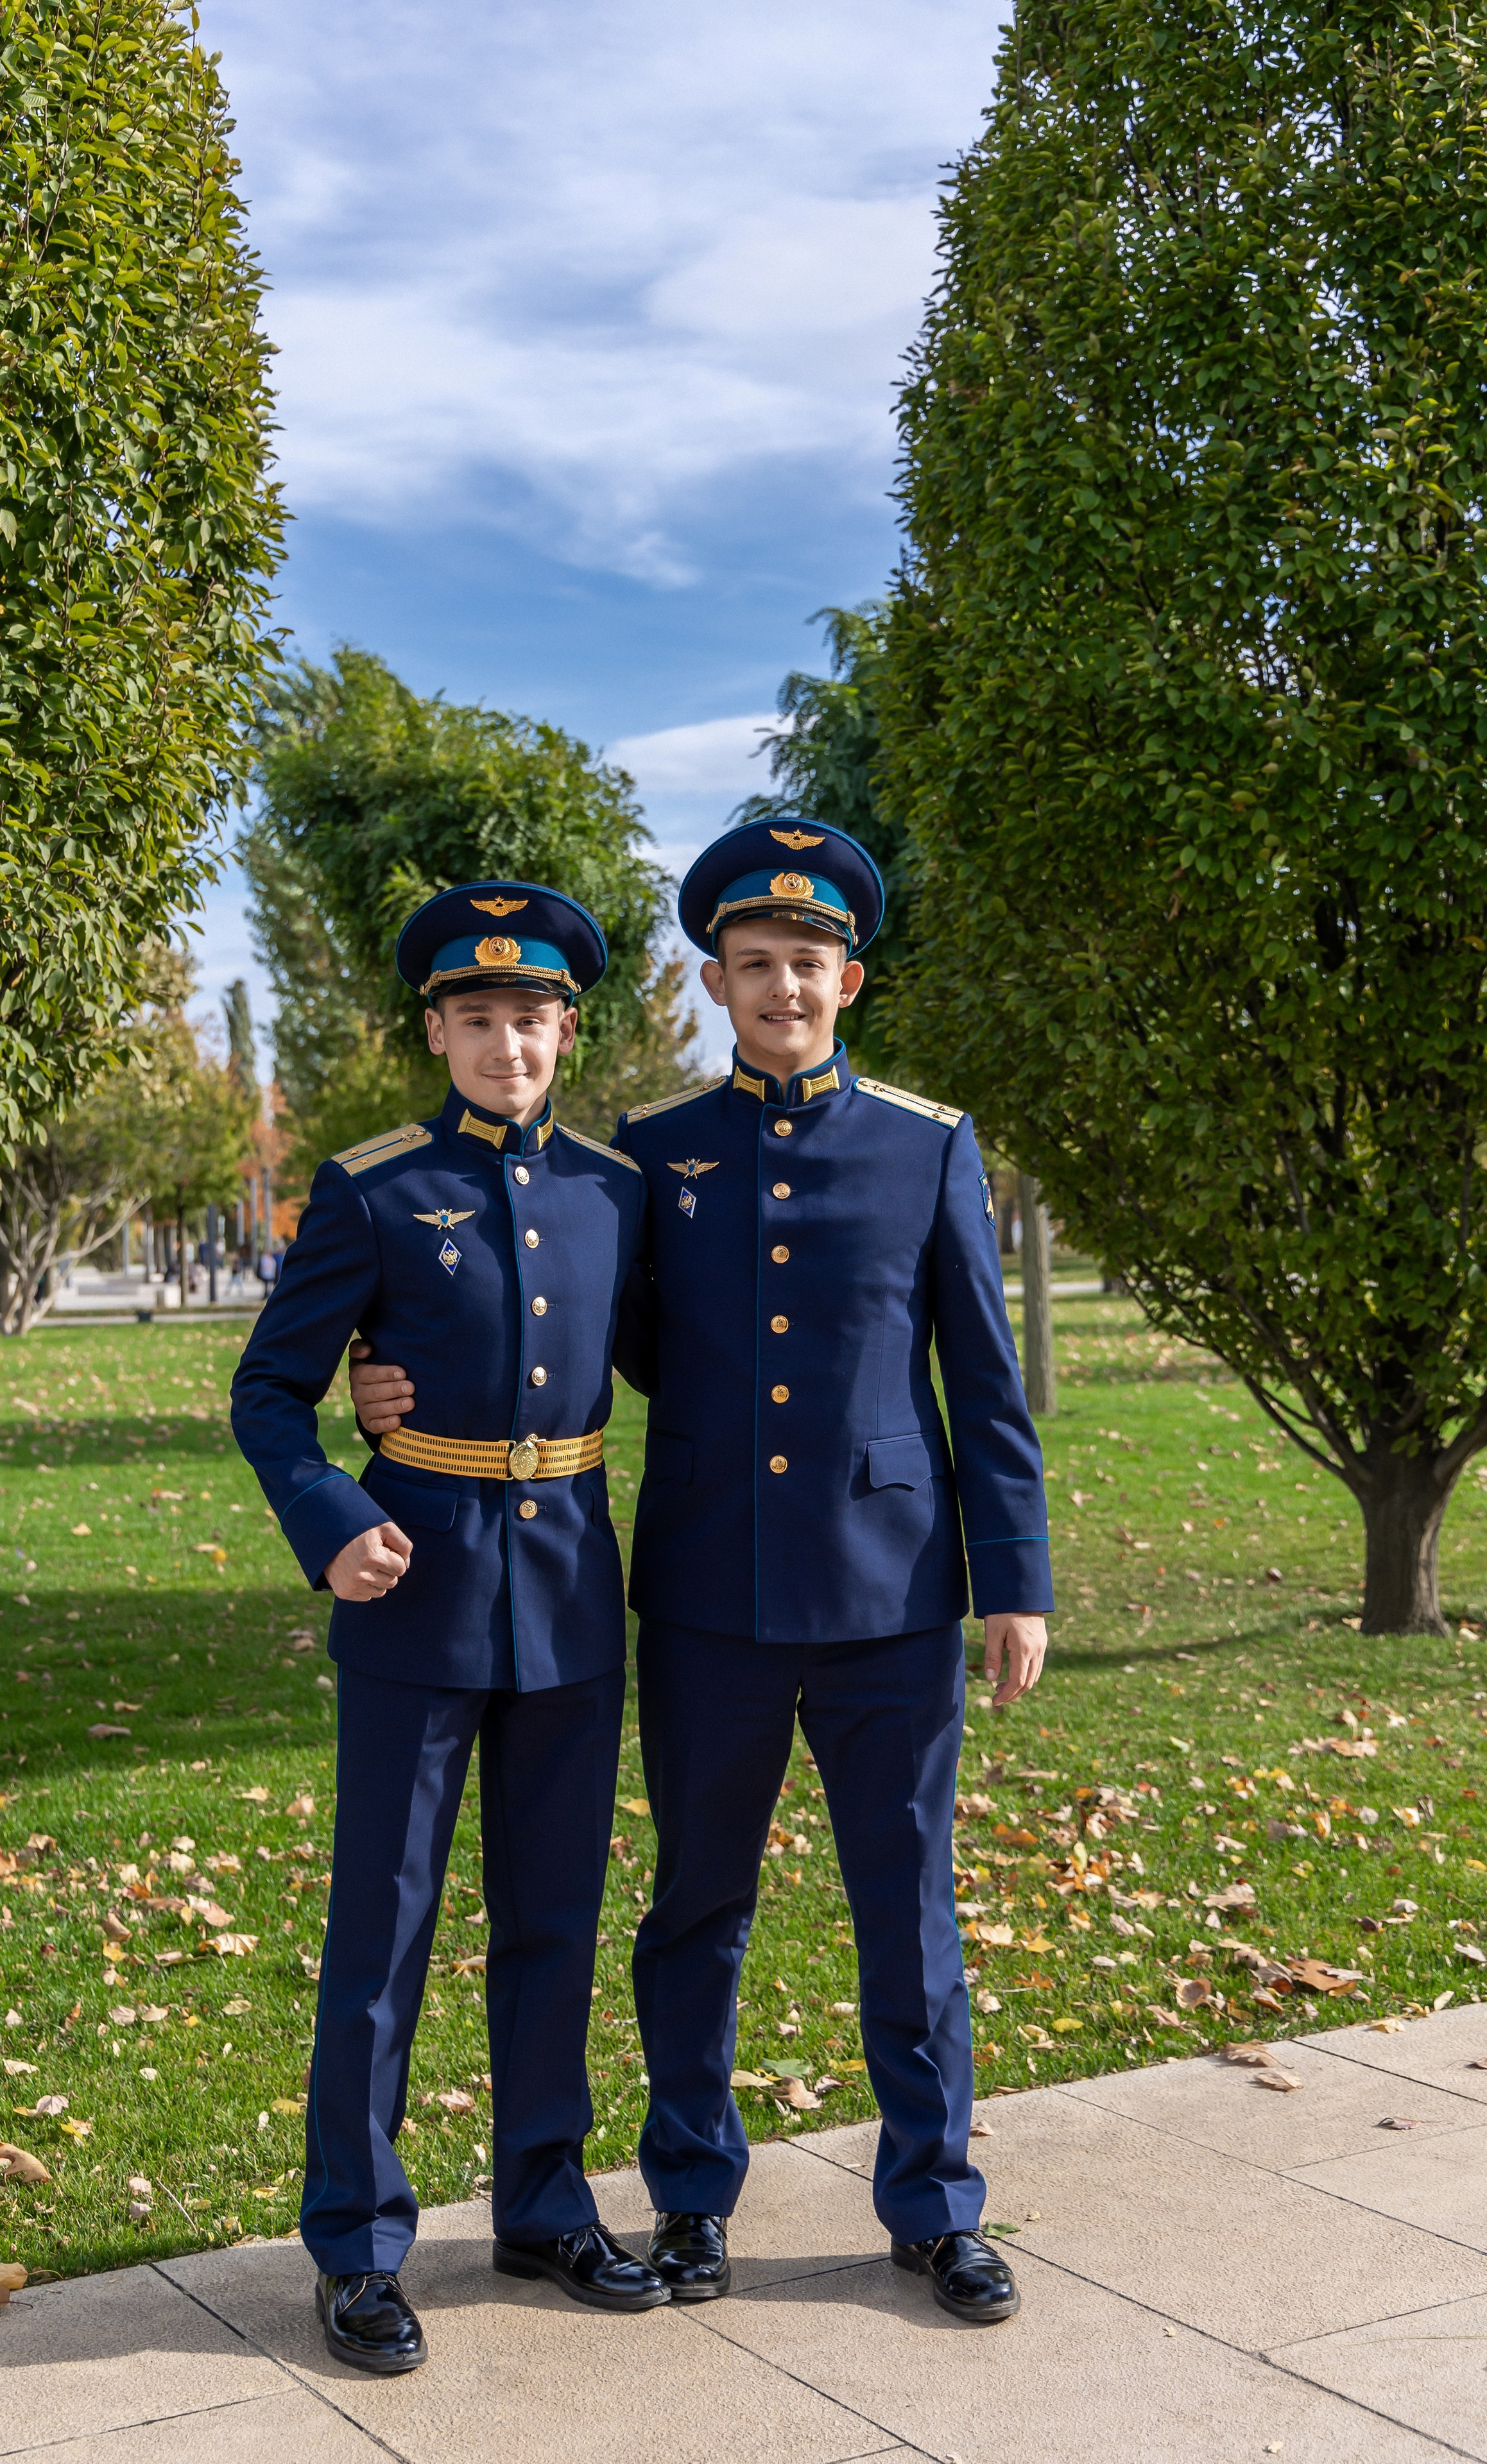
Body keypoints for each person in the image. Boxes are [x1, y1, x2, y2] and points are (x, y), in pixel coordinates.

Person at [350, 818, 1052, 2326]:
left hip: (893, 1595)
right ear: (716, 980)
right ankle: (688, 2197)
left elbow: (985, 1387)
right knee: (692, 1910)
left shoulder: (927, 1144)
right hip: (704, 1602)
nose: (781, 988)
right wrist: (380, 1375)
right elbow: (560, 1321)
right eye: (753, 966)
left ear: (846, 978)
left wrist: (1017, 1578)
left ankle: (932, 2209)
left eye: (806, 964)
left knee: (906, 1909)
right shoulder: (649, 1159)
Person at [230, 881, 667, 2377]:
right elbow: (263, 1393)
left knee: (553, 1922)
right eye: (473, 1017)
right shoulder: (368, 1187)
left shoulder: (617, 1191)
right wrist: (332, 1512)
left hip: (567, 1604)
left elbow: (683, 1353)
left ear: (564, 1027)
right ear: (435, 1028)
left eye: (529, 1017)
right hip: (412, 1592)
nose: (504, 1042)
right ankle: (356, 2242)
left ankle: (543, 2203)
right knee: (386, 1928)